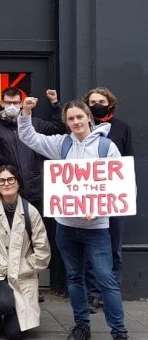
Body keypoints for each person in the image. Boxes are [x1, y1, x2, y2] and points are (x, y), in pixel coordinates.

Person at [18, 98, 129, 340]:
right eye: (71, 118)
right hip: (67, 227)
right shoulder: (62, 145)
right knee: (74, 278)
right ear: (66, 123)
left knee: (105, 278)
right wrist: (26, 112)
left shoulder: (106, 147)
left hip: (97, 227)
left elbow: (117, 185)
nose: (76, 121)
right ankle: (82, 326)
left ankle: (119, 331)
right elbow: (29, 137)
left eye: (80, 116)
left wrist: (98, 210)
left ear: (88, 117)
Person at [0, 87, 67, 299]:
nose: (12, 107)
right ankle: (13, 283)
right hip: (10, 193)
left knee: (36, 239)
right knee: (14, 239)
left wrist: (54, 104)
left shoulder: (37, 124)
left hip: (36, 191)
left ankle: (32, 283)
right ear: (2, 103)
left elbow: (60, 128)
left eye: (16, 102)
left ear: (23, 102)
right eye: (8, 102)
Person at [0, 165, 50, 340]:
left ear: (18, 183)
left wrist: (24, 266)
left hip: (22, 275)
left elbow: (43, 252)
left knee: (14, 334)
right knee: (3, 303)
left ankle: (8, 313)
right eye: (2, 180)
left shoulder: (31, 212)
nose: (6, 183)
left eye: (11, 179)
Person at [82, 87, 134, 314]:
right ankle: (93, 294)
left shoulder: (122, 127)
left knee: (114, 249)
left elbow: (127, 162)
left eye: (101, 101)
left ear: (110, 103)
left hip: (114, 197)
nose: (96, 105)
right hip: (89, 197)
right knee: (90, 248)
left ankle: (111, 294)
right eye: (92, 102)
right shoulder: (83, 127)